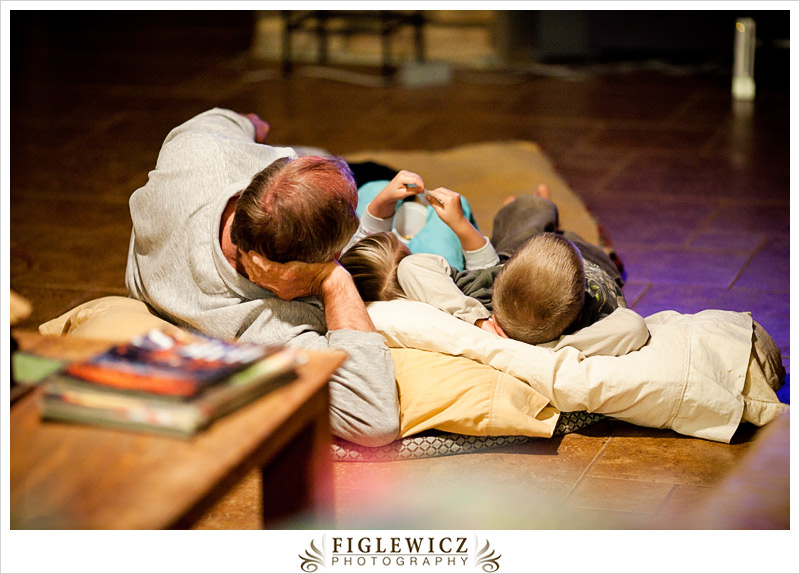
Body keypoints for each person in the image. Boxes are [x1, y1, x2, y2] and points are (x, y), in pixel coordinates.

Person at [125, 107, 399, 447]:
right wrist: (335, 280)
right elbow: (375, 420)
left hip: (267, 175)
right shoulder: (265, 326)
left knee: (360, 174)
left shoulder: (199, 151)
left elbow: (221, 118)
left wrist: (251, 124)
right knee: (381, 181)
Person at [340, 181, 640, 353]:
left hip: (523, 257)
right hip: (594, 264)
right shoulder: (598, 319)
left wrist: (477, 321)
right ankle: (545, 218)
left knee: (527, 219)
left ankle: (535, 217)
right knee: (534, 213)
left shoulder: (479, 306)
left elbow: (412, 268)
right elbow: (635, 326)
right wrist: (564, 347)